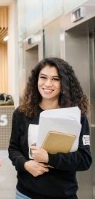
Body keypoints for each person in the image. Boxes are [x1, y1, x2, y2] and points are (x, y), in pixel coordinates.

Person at [8, 57, 92, 199]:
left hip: (63, 194)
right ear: (36, 80)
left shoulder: (76, 116)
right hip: (26, 194)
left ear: (64, 83)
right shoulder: (22, 113)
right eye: (43, 77)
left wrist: (49, 157)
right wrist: (25, 164)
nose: (47, 84)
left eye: (55, 79)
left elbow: (84, 160)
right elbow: (13, 149)